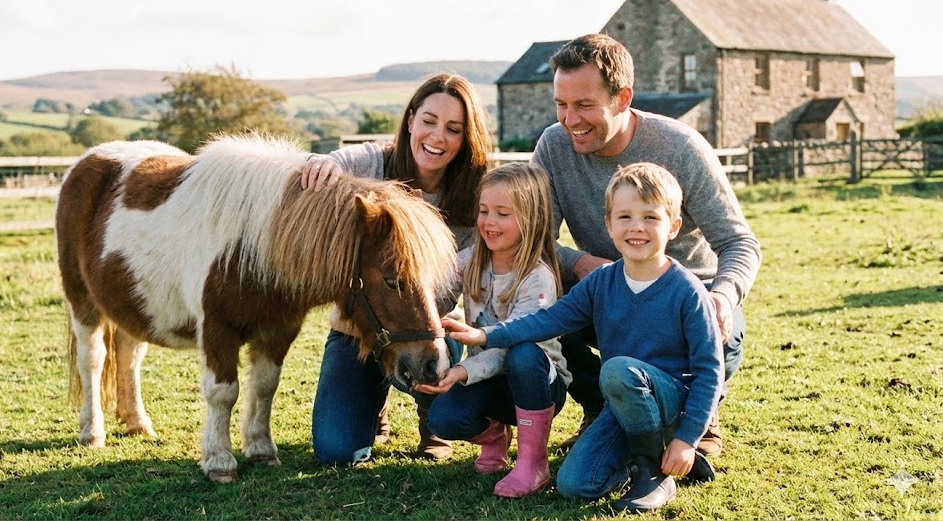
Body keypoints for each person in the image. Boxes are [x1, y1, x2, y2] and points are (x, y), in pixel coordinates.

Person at [445, 162, 723, 513]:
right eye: (624, 217)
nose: (636, 227)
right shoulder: (601, 283)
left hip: (671, 403)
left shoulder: (687, 291)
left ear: (674, 227)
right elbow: (545, 321)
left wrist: (687, 437)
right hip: (622, 403)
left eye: (650, 217)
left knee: (618, 370)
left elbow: (710, 370)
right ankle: (643, 457)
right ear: (608, 224)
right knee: (575, 484)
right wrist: (484, 333)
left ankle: (655, 473)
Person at [534, 33, 761, 456]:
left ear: (622, 98)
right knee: (538, 302)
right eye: (561, 105)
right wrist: (582, 261)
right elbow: (534, 241)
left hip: (686, 296)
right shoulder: (552, 146)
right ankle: (601, 406)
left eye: (584, 105)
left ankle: (697, 412)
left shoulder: (681, 147)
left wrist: (724, 297)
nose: (569, 120)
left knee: (720, 336)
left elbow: (739, 242)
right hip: (609, 293)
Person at [303, 73, 493, 465]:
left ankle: (433, 421)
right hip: (355, 331)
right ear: (410, 120)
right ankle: (375, 400)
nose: (437, 137)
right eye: (428, 121)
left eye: (453, 129)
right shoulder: (373, 163)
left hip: (429, 326)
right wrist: (317, 163)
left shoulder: (477, 192)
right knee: (337, 452)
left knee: (443, 348)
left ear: (466, 137)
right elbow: (328, 162)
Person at [414, 163, 570, 498]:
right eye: (484, 211)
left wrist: (461, 369)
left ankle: (533, 461)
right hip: (488, 381)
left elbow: (509, 345)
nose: (489, 222)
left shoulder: (537, 277)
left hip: (539, 384)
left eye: (503, 213)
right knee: (443, 419)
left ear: (530, 220)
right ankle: (495, 436)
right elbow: (433, 290)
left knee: (524, 353)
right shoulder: (470, 261)